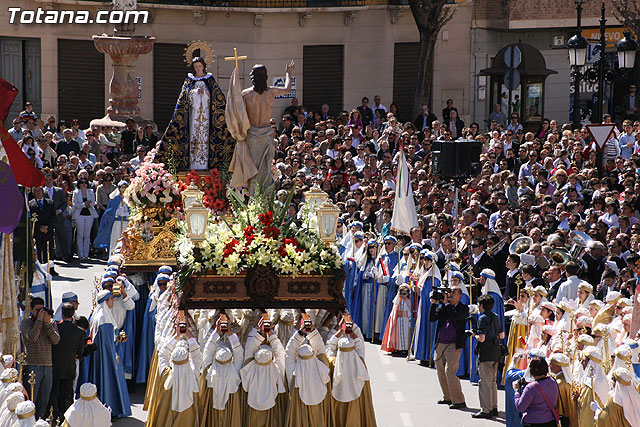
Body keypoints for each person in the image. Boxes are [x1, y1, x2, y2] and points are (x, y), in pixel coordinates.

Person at [228, 61, 295, 194]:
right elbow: (287, 89)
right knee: (263, 169)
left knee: (255, 170)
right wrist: (288, 73)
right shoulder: (271, 92)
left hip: (254, 135)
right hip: (263, 133)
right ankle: (257, 200)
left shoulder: (245, 94)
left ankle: (258, 198)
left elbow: (238, 113)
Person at [158, 56, 235, 171]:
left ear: (204, 66)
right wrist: (194, 93)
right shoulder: (189, 80)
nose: (198, 69)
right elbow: (183, 99)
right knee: (194, 137)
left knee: (205, 137)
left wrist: (204, 94)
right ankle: (193, 164)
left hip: (206, 115)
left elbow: (218, 99)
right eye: (195, 67)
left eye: (199, 66)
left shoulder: (210, 80)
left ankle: (205, 165)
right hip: (193, 116)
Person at [82, 289, 131, 419]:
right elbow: (107, 343)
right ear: (105, 301)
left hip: (100, 355)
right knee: (109, 380)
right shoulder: (105, 318)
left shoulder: (99, 316)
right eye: (111, 299)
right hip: (107, 357)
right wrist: (114, 355)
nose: (113, 300)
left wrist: (117, 338)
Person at [284, 318, 332, 427]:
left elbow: (289, 352)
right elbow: (320, 349)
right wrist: (313, 331)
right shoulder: (322, 370)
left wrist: (300, 333)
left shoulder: (294, 374)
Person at [240, 318, 287, 425]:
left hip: (252, 408)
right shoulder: (276, 370)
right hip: (271, 408)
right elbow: (280, 353)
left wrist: (260, 332)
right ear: (271, 358)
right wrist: (270, 333)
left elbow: (249, 349)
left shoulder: (249, 368)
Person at [326, 328, 377, 426]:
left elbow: (329, 346)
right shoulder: (360, 365)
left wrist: (340, 330)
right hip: (356, 406)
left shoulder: (333, 364)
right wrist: (353, 332)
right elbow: (360, 346)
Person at [19, 297, 60, 420]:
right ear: (31, 309)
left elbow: (56, 340)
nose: (41, 313)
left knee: (44, 400)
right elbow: (32, 337)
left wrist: (47, 324)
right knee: (32, 399)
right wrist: (39, 322)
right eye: (38, 310)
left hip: (48, 365)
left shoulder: (50, 323)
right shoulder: (26, 323)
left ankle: (39, 421)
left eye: (42, 309)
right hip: (33, 365)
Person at [429, 285, 469, 410]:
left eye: (453, 292)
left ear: (459, 295)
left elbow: (455, 316)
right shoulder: (444, 306)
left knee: (450, 371)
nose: (450, 294)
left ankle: (459, 400)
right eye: (449, 292)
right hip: (441, 342)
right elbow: (432, 318)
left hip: (454, 343)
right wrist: (434, 304)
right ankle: (448, 397)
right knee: (440, 370)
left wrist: (446, 305)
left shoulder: (463, 308)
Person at [199, 317, 243, 426]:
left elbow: (207, 349)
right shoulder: (235, 372)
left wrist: (216, 331)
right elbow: (238, 351)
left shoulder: (209, 371)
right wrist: (229, 332)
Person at [51, 303, 86, 420]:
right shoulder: (78, 332)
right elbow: (81, 351)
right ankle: (67, 418)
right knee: (68, 394)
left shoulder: (56, 328)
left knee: (56, 392)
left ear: (62, 313)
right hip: (70, 367)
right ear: (73, 315)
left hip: (56, 367)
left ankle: (56, 416)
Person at [472, 294, 505, 419]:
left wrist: (473, 334)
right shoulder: (496, 317)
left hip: (485, 353)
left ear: (481, 305)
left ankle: (486, 409)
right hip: (496, 352)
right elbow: (502, 335)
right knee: (492, 381)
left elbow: (481, 338)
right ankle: (494, 407)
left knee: (484, 382)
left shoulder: (483, 318)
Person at [513, 357, 559, 427]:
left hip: (533, 422)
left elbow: (520, 407)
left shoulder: (531, 388)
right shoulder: (553, 382)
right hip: (550, 421)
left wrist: (516, 391)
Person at [94, 180, 129, 256]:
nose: (123, 190)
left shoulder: (130, 199)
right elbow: (109, 212)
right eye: (121, 188)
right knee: (116, 239)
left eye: (125, 188)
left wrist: (127, 213)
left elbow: (132, 210)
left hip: (126, 223)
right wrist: (116, 213)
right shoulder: (114, 199)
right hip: (116, 223)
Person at [72, 177, 98, 260]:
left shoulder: (90, 192)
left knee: (87, 235)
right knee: (80, 234)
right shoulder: (76, 192)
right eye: (82, 183)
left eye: (85, 183)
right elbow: (74, 204)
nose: (84, 184)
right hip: (79, 215)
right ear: (79, 184)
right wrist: (84, 204)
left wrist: (90, 204)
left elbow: (94, 203)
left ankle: (86, 254)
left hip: (89, 215)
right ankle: (80, 254)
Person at [29, 186, 56, 265]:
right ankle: (39, 267)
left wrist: (46, 226)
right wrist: (40, 227)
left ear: (43, 191)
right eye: (36, 191)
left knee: (49, 249)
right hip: (37, 232)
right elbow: (31, 219)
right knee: (38, 250)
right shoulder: (31, 204)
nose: (38, 192)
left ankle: (50, 268)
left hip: (48, 231)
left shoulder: (50, 203)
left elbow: (53, 217)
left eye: (39, 191)